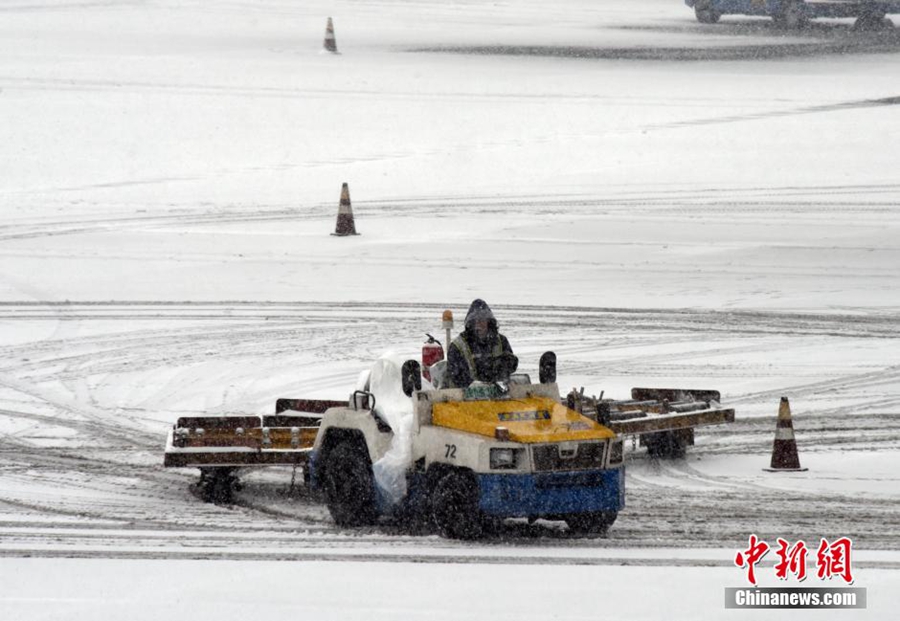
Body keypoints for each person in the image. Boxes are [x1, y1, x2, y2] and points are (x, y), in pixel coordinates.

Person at [446, 299, 517, 389]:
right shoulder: (458, 346)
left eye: (482, 319)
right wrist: (473, 386)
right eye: (475, 320)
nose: (479, 323)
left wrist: (507, 366)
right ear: (470, 323)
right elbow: (456, 375)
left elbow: (510, 365)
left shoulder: (501, 341)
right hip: (466, 397)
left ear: (489, 321)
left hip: (498, 393)